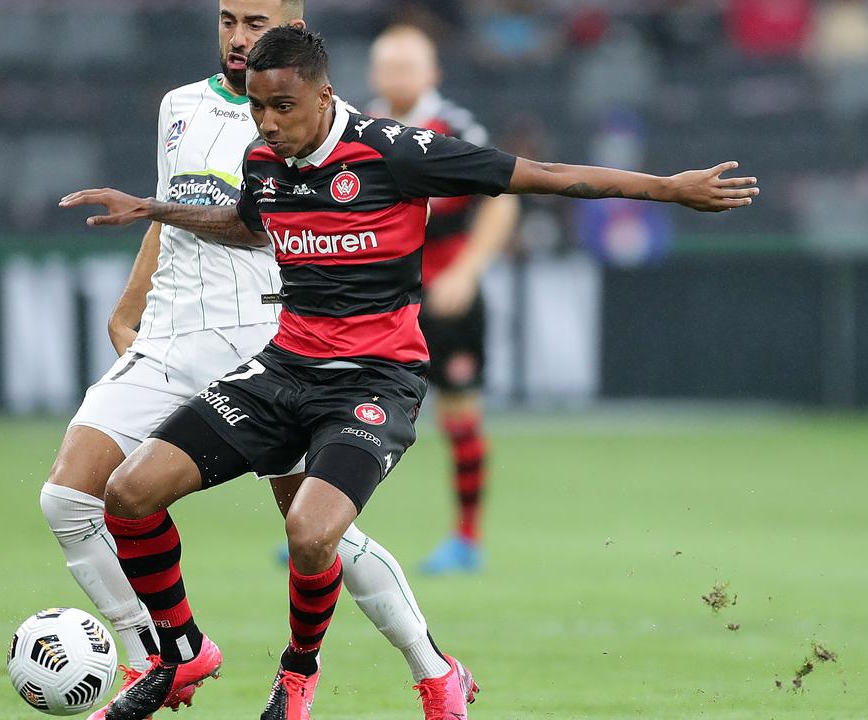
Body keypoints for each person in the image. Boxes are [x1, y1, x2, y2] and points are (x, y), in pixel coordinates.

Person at [63, 26, 757, 720]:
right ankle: (181, 651)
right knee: (127, 493)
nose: (268, 124)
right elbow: (250, 223)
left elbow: (537, 177)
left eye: (282, 107)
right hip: (283, 368)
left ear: (322, 94)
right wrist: (154, 208)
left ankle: (300, 671)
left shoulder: (396, 152)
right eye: (256, 108)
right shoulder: (264, 158)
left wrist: (668, 188)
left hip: (374, 379)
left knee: (310, 532)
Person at [41, 1, 457, 717]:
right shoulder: (179, 106)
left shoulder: (320, 119)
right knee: (70, 498)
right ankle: (161, 656)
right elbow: (169, 209)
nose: (239, 37)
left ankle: (433, 666)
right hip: (173, 337)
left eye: (255, 23)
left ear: (292, 25)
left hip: (268, 347)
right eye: (229, 20)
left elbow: (268, 224)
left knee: (320, 534)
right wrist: (129, 307)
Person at [367, 24, 520, 574]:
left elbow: (503, 200)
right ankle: (324, 528)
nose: (399, 77)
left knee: (458, 414)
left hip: (445, 296)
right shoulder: (354, 128)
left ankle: (466, 538)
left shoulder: (453, 128)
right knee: (342, 408)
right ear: (374, 74)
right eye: (390, 67)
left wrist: (469, 271)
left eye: (410, 67)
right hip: (379, 300)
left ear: (432, 74)